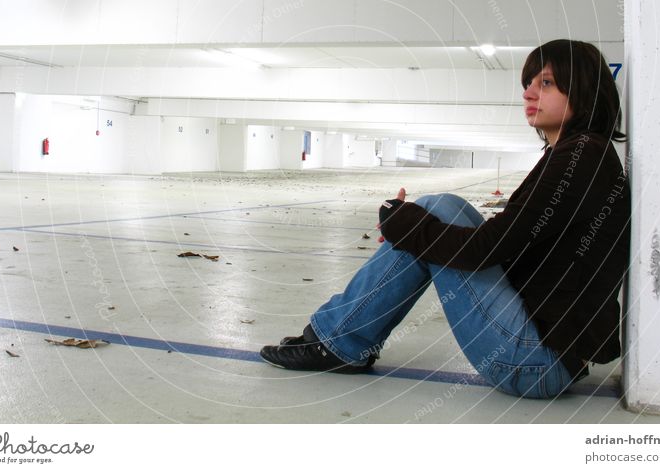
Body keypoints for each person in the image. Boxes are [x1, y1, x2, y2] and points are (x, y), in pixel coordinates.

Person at [260, 39, 630, 399]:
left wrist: (404, 226)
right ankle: (337, 338)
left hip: (533, 363)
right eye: (529, 84)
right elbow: (507, 245)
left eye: (545, 83)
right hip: (544, 354)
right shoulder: (580, 153)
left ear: (583, 90)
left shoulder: (581, 156)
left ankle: (336, 341)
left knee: (431, 214)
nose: (528, 93)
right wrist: (413, 227)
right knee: (438, 208)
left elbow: (486, 250)